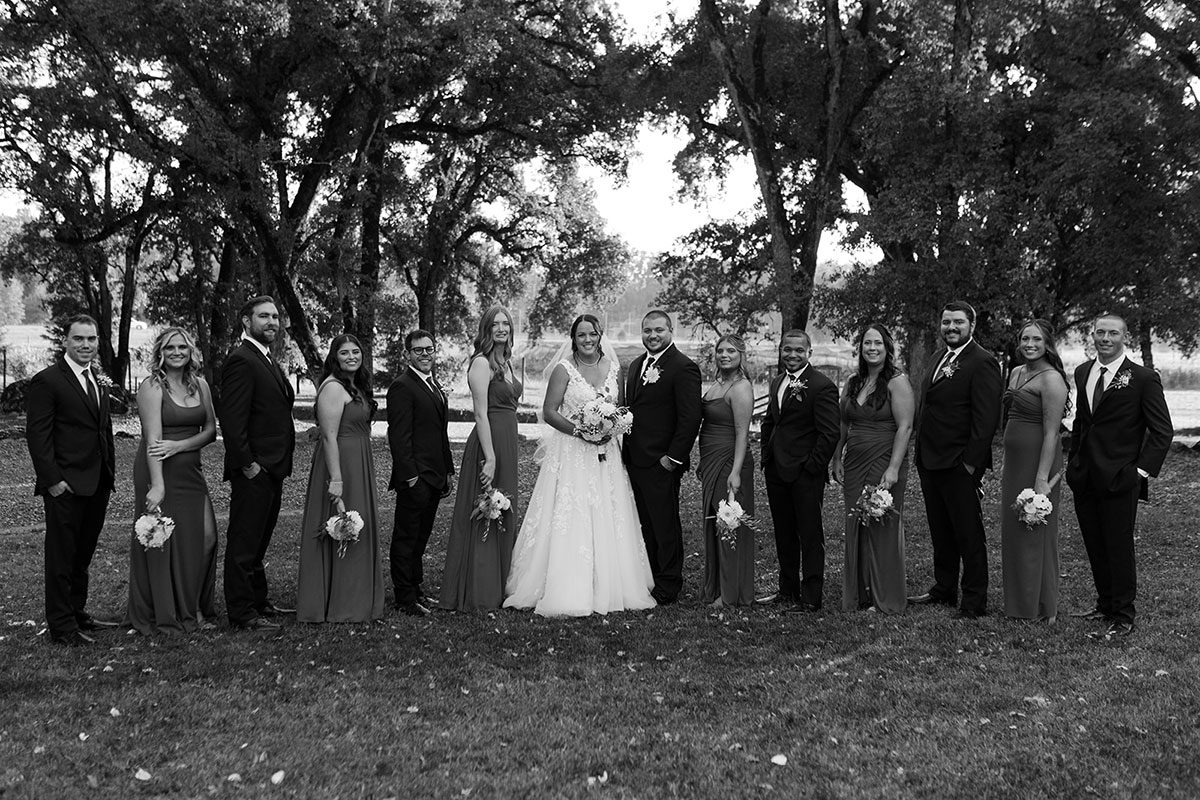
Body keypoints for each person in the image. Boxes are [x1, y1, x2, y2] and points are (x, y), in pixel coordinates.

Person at [505, 314, 655, 616]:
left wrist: (610, 427)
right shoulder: (564, 370)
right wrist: (581, 431)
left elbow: (619, 409)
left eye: (592, 334)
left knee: (608, 512)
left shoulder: (615, 369)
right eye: (581, 335)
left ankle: (611, 584)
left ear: (601, 335)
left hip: (606, 455)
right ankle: (568, 584)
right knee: (572, 513)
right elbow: (549, 411)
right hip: (573, 452)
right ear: (573, 338)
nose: (587, 340)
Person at [1065, 313, 1172, 636]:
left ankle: (1123, 614)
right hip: (1085, 475)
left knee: (1118, 545)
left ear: (1124, 337)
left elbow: (1162, 430)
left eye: (1113, 333)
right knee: (1095, 544)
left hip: (1121, 476)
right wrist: (1073, 464)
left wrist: (1138, 471)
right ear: (1092, 336)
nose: (1105, 338)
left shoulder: (1142, 378)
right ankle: (1105, 603)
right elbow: (1083, 423)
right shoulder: (1083, 371)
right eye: (1100, 332)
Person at [25, 314, 118, 646]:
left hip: (97, 483)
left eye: (91, 339)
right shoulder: (48, 381)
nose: (86, 345)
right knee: (61, 557)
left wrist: (109, 472)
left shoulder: (97, 379)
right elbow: (37, 435)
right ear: (65, 341)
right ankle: (62, 627)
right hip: (64, 484)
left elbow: (101, 429)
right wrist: (52, 481)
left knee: (83, 554)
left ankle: (77, 612)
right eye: (79, 339)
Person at [911, 300, 1003, 619]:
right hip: (929, 459)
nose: (951, 328)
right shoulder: (938, 357)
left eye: (958, 323)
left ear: (971, 326)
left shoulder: (983, 362)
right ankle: (944, 588)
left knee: (968, 533)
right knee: (940, 529)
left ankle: (975, 599)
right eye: (946, 322)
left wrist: (970, 465)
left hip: (958, 462)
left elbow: (986, 419)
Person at [128, 327, 219, 634]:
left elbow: (210, 431)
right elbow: (153, 440)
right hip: (159, 472)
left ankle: (192, 605)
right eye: (170, 348)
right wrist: (157, 486)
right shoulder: (152, 387)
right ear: (161, 353)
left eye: (182, 347)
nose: (177, 352)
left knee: (206, 539)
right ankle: (171, 609)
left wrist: (180, 446)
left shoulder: (201, 385)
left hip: (190, 472)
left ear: (190, 350)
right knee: (164, 540)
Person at [217, 295, 297, 631]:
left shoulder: (266, 359)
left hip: (273, 467)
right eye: (263, 316)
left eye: (275, 317)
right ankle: (241, 612)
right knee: (244, 542)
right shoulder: (241, 360)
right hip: (255, 469)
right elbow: (232, 422)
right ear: (246, 321)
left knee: (259, 539)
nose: (272, 323)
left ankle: (259, 601)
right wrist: (249, 465)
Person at [296, 334, 385, 623]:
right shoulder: (333, 388)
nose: (351, 356)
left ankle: (358, 598)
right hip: (340, 463)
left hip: (359, 460)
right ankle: (339, 602)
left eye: (356, 351)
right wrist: (336, 478)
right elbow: (328, 435)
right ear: (334, 357)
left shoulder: (356, 386)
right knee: (342, 520)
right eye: (344, 352)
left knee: (359, 524)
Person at [439, 305, 523, 611]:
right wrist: (489, 458)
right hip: (489, 444)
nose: (501, 328)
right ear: (486, 329)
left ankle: (500, 584)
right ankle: (480, 591)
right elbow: (480, 413)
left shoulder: (507, 361)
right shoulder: (481, 363)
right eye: (495, 324)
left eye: (506, 324)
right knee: (485, 509)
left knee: (504, 509)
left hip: (508, 442)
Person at [832, 324, 914, 614]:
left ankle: (886, 597)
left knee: (883, 524)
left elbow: (905, 427)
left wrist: (893, 468)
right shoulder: (854, 382)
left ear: (887, 347)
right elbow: (844, 422)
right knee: (856, 523)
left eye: (877, 343)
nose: (872, 348)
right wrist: (837, 457)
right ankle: (861, 593)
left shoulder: (897, 382)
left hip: (884, 459)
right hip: (854, 462)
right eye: (867, 343)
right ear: (861, 348)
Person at [622, 310, 702, 605]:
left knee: (665, 523)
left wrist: (673, 459)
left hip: (661, 462)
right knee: (645, 523)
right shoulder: (635, 366)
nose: (652, 336)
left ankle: (669, 582)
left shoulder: (683, 367)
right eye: (647, 331)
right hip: (634, 459)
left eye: (658, 330)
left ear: (671, 331)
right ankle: (652, 576)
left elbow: (690, 418)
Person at [760, 330, 840, 611]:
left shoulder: (821, 386)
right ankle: (788, 589)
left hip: (805, 473)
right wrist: (766, 456)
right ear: (780, 351)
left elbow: (830, 433)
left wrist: (812, 467)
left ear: (809, 352)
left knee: (809, 534)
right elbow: (771, 421)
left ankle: (811, 596)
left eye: (798, 350)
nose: (792, 355)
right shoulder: (778, 381)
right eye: (786, 349)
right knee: (783, 532)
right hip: (776, 470)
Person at [999, 320, 1070, 622]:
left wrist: (1042, 478)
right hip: (1015, 464)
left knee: (1037, 529)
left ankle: (1043, 607)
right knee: (1015, 531)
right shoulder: (1016, 372)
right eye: (1025, 338)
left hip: (1038, 462)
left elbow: (1052, 433)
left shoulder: (1052, 380)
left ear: (1047, 344)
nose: (1029, 344)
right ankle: (1018, 604)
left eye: (1036, 339)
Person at [387, 330, 454, 617]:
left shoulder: (433, 384)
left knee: (421, 537)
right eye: (418, 350)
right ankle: (404, 596)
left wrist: (449, 469)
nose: (425, 354)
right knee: (406, 537)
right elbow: (399, 437)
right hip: (416, 477)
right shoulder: (402, 386)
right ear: (408, 354)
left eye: (429, 349)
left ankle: (416, 589)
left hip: (436, 474)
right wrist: (411, 476)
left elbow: (440, 432)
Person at [696, 333, 756, 607]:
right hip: (711, 461)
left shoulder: (741, 387)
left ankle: (730, 592)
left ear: (741, 355)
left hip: (731, 462)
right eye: (720, 350)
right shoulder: (717, 384)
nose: (725, 355)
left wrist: (736, 471)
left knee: (728, 523)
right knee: (714, 523)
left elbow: (742, 432)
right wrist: (701, 460)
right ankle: (717, 587)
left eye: (731, 350)